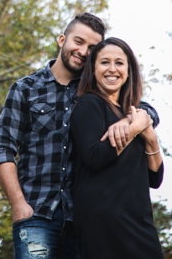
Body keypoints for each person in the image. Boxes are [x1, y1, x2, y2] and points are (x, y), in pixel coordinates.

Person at [0, 14, 159, 259]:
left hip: (83, 220)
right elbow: (3, 148)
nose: (82, 51)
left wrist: (131, 120)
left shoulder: (95, 91)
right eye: (78, 41)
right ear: (62, 40)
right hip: (37, 213)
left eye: (91, 48)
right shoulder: (26, 89)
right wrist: (18, 204)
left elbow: (144, 109)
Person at [69, 36, 165, 259]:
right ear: (92, 69)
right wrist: (134, 128)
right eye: (104, 62)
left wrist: (149, 136)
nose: (112, 69)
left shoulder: (134, 113)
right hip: (103, 220)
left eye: (119, 63)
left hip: (138, 220)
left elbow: (155, 178)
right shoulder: (88, 104)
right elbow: (95, 157)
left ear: (129, 70)